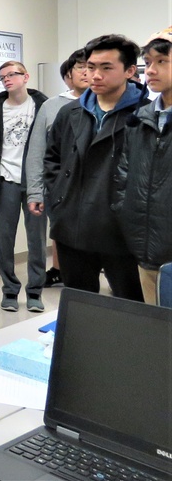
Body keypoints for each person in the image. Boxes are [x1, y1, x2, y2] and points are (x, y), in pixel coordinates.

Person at [43, 34, 148, 301]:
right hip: (72, 226)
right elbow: (53, 158)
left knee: (131, 307)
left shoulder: (144, 115)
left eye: (106, 67)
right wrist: (57, 201)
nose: (96, 75)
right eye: (91, 67)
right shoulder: (70, 113)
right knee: (80, 307)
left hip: (121, 231)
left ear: (130, 71)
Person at [114, 27, 172, 304]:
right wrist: (126, 216)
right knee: (157, 329)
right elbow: (123, 177)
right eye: (148, 63)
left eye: (162, 62)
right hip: (146, 248)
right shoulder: (141, 118)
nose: (150, 70)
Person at [25, 49, 91, 287]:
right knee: (64, 238)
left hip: (97, 192)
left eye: (90, 66)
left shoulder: (107, 104)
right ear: (68, 76)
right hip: (62, 189)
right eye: (80, 67)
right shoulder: (52, 107)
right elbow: (37, 152)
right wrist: (36, 191)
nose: (86, 72)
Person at [0, 61, 49, 313]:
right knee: (5, 239)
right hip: (6, 181)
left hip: (35, 181)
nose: (7, 80)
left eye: (12, 75)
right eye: (3, 77)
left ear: (26, 76)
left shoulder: (42, 106)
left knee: (37, 239)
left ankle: (35, 292)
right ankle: (9, 291)